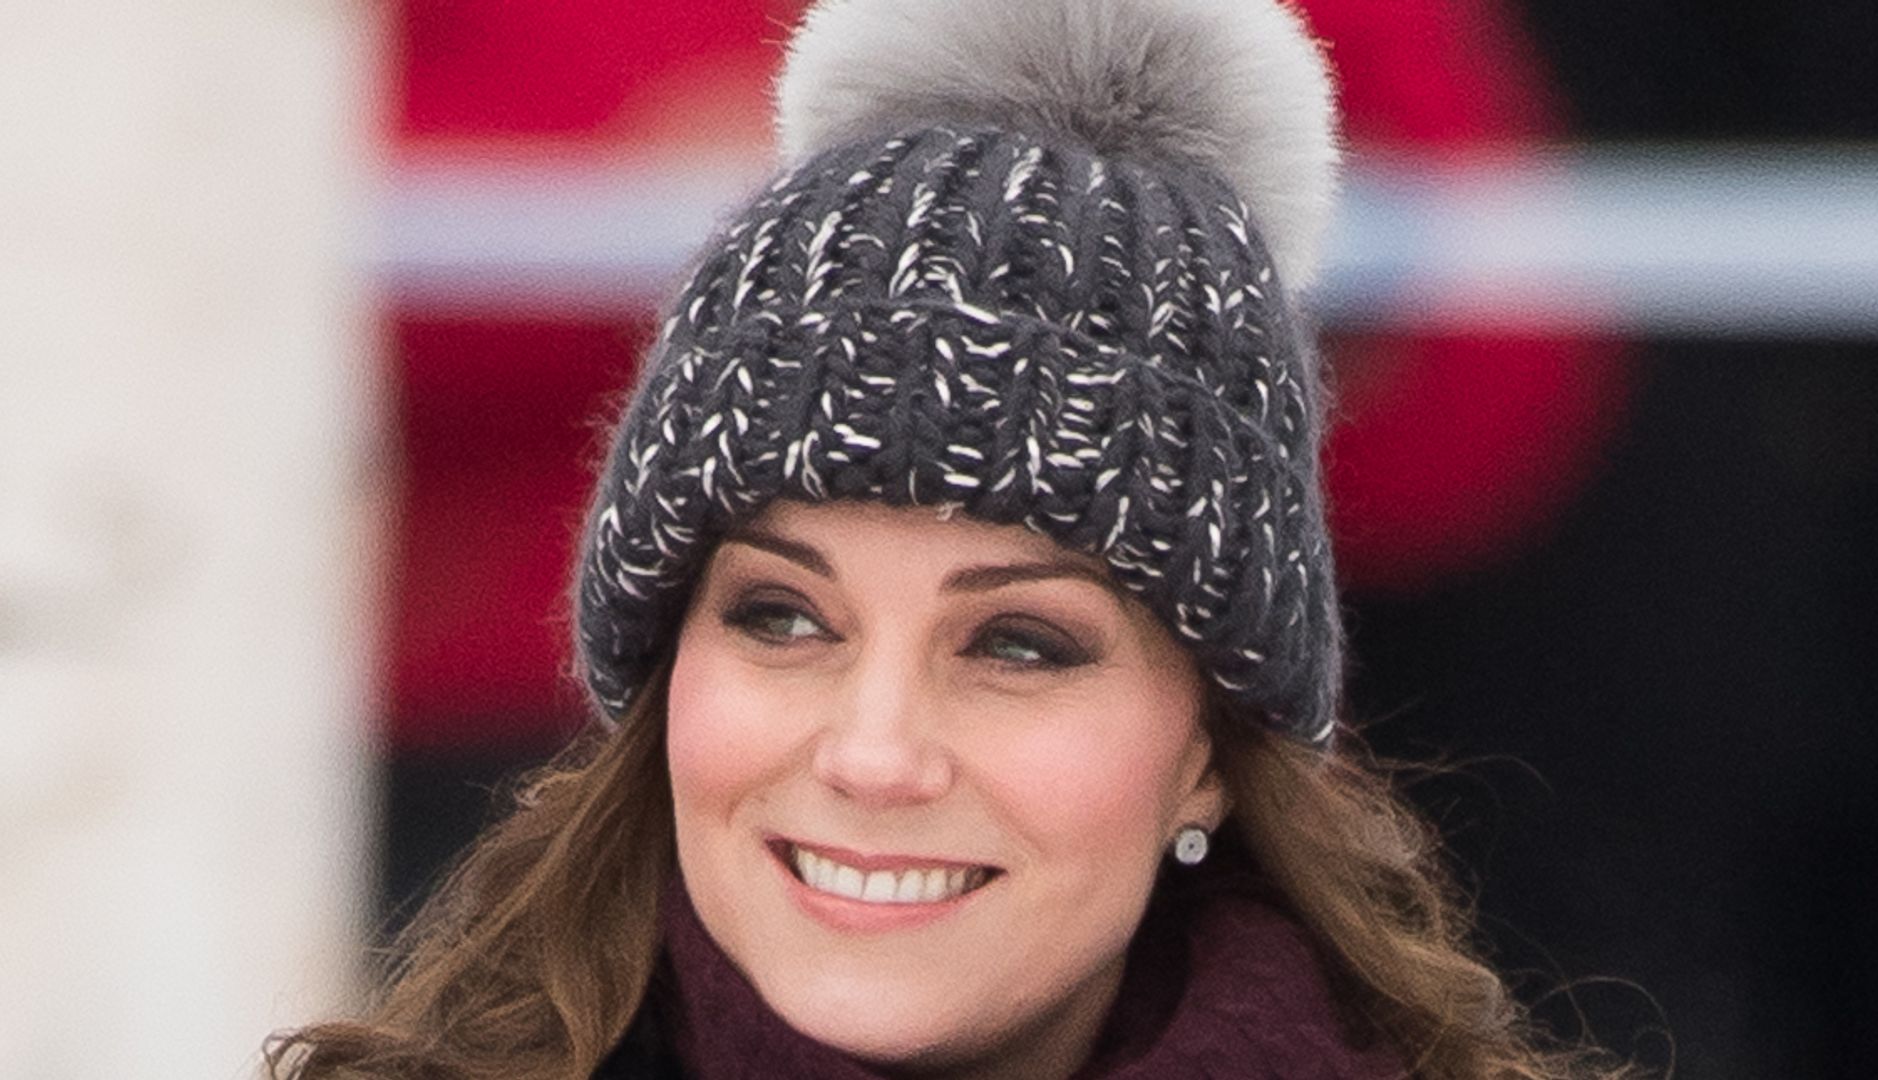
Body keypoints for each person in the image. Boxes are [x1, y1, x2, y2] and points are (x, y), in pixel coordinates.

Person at [270, 1, 1639, 1076]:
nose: (875, 753)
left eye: (1021, 643)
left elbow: (1496, 388)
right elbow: (182, 225)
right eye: (781, 616)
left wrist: (1160, 340)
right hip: (443, 735)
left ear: (1215, 745)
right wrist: (596, 203)